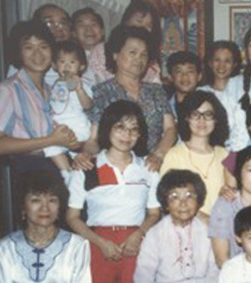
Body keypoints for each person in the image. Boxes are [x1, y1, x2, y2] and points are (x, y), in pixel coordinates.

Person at [66, 100, 161, 283]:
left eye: (134, 129)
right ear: (108, 128)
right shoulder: (87, 167)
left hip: (135, 241)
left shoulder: (147, 168)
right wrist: (100, 242)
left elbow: (154, 213)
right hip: (98, 241)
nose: (127, 135)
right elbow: (72, 217)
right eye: (120, 127)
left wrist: (138, 234)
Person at [134, 170, 221, 283]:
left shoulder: (208, 231)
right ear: (165, 204)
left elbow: (215, 271)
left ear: (199, 201)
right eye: (174, 197)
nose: (183, 203)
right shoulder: (155, 234)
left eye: (189, 196)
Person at [84, 25, 176, 172]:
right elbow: (93, 139)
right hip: (115, 168)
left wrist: (158, 155)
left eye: (144, 54)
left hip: (153, 166)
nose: (138, 59)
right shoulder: (101, 92)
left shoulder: (156, 91)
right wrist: (86, 155)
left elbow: (170, 129)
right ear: (115, 54)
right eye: (132, 52)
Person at [0, 21, 77, 180]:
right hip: (28, 171)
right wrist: (49, 140)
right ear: (18, 52)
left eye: (43, 46)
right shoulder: (8, 89)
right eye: (29, 47)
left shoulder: (52, 90)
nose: (37, 54)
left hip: (58, 168)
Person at [160, 91, 230, 217]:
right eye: (195, 114)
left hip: (221, 227)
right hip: (186, 227)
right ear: (186, 118)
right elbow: (169, 199)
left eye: (208, 115)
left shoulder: (224, 155)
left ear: (216, 119)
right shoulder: (175, 155)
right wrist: (207, 222)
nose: (202, 120)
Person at [45, 40, 94, 176]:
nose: (67, 66)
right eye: (62, 62)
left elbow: (88, 105)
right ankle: (67, 174)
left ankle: (75, 165)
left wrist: (79, 90)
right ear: (54, 65)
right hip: (59, 127)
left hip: (77, 126)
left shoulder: (82, 84)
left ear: (82, 66)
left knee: (76, 153)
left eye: (72, 62)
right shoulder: (54, 84)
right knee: (49, 146)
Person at [91, 1, 163, 84]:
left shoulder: (152, 63)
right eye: (139, 21)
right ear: (126, 21)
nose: (143, 28)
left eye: (149, 25)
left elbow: (156, 89)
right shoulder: (101, 51)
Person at [198, 40, 241, 141]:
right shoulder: (201, 93)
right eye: (217, 60)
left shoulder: (242, 92)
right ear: (210, 63)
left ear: (234, 64)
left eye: (227, 61)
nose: (221, 66)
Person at [166, 50, 203, 118]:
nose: (185, 76)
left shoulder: (208, 105)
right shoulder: (165, 107)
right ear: (170, 77)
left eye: (190, 71)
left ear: (199, 76)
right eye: (179, 71)